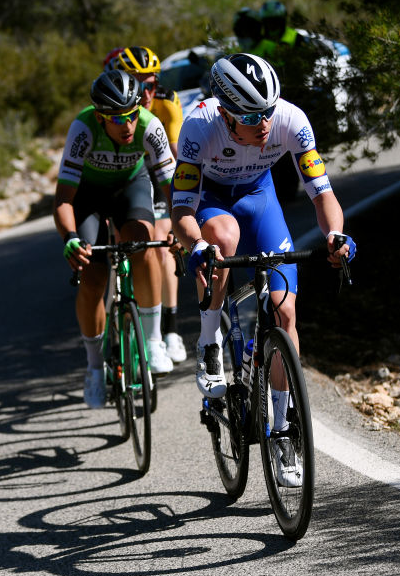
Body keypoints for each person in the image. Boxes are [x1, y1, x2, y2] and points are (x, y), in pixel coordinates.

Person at [170, 53, 356, 485]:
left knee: (286, 314)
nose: (265, 124)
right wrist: (196, 243)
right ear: (226, 115)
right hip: (213, 202)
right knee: (224, 240)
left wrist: (334, 235)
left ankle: (283, 429)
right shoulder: (199, 126)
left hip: (261, 198)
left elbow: (321, 193)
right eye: (253, 116)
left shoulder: (290, 119)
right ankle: (209, 341)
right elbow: (181, 208)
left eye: (268, 111)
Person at [55, 69, 177, 409]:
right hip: (88, 197)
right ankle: (95, 367)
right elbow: (64, 199)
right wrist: (70, 238)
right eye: (118, 118)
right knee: (93, 277)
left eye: (132, 115)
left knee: (143, 242)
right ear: (100, 117)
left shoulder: (150, 126)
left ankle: (153, 341)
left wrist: (182, 231)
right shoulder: (83, 128)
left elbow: (170, 190)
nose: (127, 125)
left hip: (131, 187)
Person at [106, 46, 187, 364]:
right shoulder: (113, 102)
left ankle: (170, 329)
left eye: (150, 83)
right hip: (123, 173)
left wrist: (185, 205)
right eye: (137, 84)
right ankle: (115, 324)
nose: (144, 92)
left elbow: (177, 152)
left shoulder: (168, 100)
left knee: (163, 241)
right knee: (114, 246)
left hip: (157, 170)